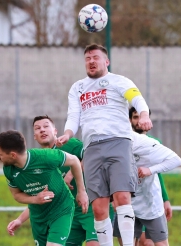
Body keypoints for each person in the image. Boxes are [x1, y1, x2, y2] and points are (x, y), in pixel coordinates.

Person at [57, 43, 153, 246]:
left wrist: (144, 115)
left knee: (122, 198)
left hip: (118, 142)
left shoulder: (119, 81)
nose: (91, 61)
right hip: (91, 148)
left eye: (95, 57)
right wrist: (67, 133)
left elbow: (137, 99)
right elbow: (74, 116)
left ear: (106, 61)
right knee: (99, 207)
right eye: (87, 58)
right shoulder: (78, 87)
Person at [6, 115, 100, 246]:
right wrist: (20, 220)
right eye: (37, 128)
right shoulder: (40, 161)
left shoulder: (70, 144)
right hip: (67, 213)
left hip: (91, 206)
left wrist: (71, 174)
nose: (42, 130)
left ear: (55, 131)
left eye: (46, 126)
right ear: (34, 136)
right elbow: (42, 196)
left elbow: (93, 154)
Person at [0, 130, 89, 246]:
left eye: (0, 154)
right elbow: (16, 195)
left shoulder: (45, 157)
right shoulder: (8, 169)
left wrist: (82, 192)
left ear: (13, 155)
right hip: (38, 216)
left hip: (61, 209)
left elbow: (74, 160)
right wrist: (35, 200)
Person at [128, 107, 173, 246]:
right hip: (130, 201)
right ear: (129, 120)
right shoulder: (124, 143)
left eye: (140, 117)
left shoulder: (154, 142)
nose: (138, 122)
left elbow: (156, 173)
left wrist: (165, 199)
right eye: (135, 117)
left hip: (150, 201)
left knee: (149, 242)